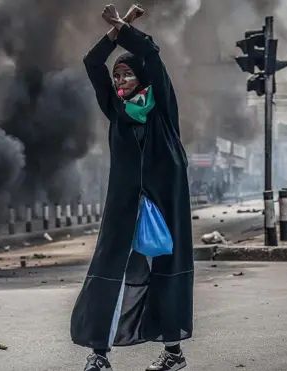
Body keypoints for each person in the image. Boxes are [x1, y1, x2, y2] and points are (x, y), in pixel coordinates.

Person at [70, 4, 193, 371]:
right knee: (110, 271)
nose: (120, 80)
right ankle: (99, 354)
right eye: (117, 75)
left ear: (140, 77)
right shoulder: (117, 113)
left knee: (166, 272)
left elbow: (150, 53)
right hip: (125, 206)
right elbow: (92, 64)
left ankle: (173, 354)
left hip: (164, 205)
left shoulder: (163, 109)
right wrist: (113, 34)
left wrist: (124, 26)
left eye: (126, 74)